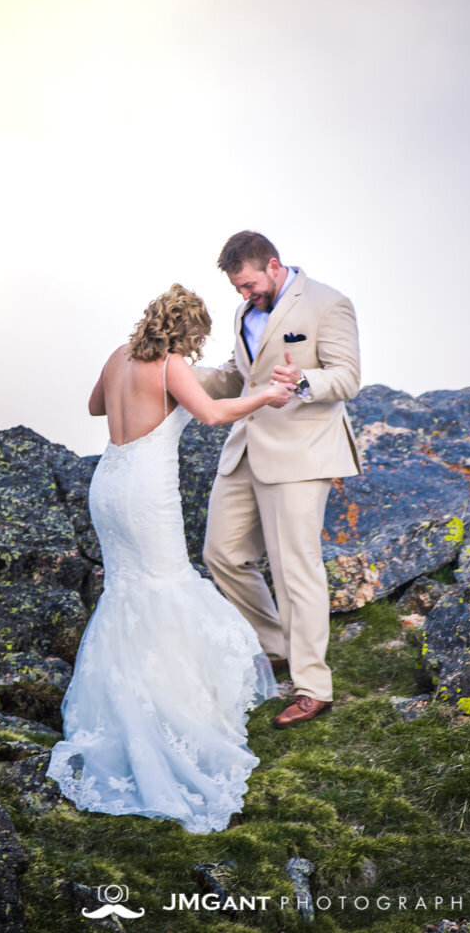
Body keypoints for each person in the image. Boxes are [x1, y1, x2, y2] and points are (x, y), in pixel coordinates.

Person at [47, 283, 292, 834]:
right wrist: (265, 397)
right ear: (188, 331)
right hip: (144, 489)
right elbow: (210, 414)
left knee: (128, 593)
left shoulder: (118, 357)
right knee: (164, 584)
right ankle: (171, 708)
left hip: (107, 483)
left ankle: (129, 701)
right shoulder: (171, 365)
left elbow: (93, 407)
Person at [194, 231, 362, 728]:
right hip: (245, 448)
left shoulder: (330, 304)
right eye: (238, 288)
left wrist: (305, 382)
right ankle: (276, 647)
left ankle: (313, 687)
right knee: (221, 554)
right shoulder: (247, 310)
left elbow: (348, 377)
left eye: (248, 284)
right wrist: (174, 374)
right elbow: (240, 373)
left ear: (273, 264)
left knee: (296, 570)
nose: (245, 295)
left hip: (300, 452)